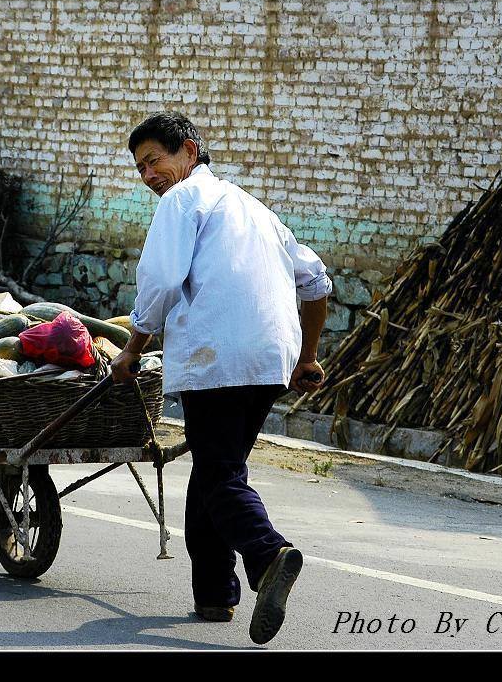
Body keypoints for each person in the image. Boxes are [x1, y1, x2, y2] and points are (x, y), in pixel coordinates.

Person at [110, 111, 332, 645]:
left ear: (189, 151)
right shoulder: (255, 209)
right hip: (268, 359)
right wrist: (306, 357)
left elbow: (162, 280)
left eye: (154, 161)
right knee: (215, 469)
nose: (148, 176)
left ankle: (267, 555)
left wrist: (131, 350)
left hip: (219, 356)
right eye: (140, 168)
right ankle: (214, 596)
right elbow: (316, 279)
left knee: (219, 475)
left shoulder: (183, 201)